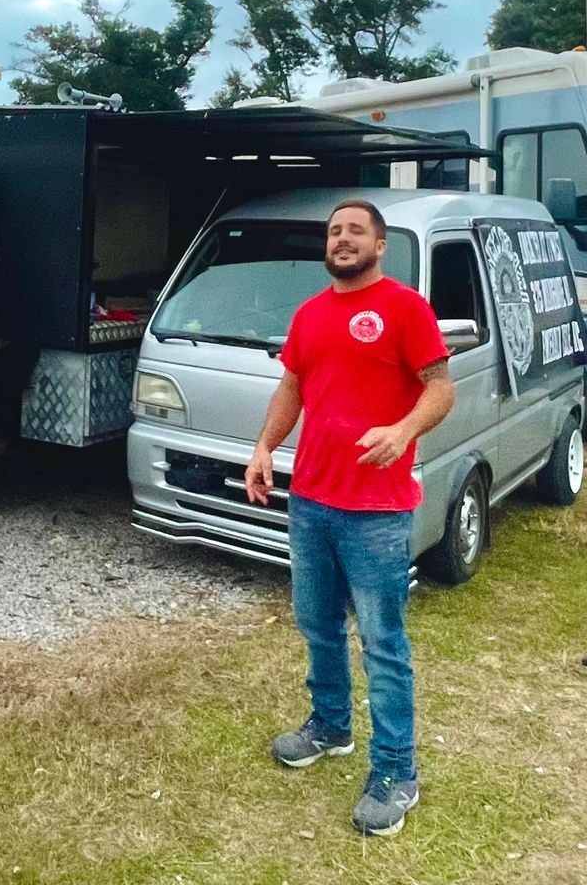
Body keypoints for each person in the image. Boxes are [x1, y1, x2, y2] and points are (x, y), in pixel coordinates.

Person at [244, 198, 455, 838]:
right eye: (335, 231)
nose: (342, 239)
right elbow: (293, 387)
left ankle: (397, 772)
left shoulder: (404, 308)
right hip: (312, 500)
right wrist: (264, 447)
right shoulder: (310, 314)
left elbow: (440, 388)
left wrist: (403, 429)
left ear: (379, 244)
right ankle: (330, 728)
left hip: (377, 512)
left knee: (383, 644)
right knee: (318, 626)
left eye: (355, 230)